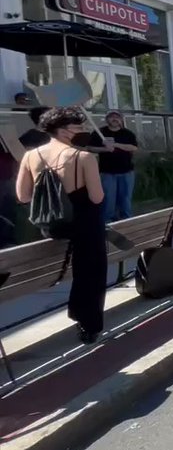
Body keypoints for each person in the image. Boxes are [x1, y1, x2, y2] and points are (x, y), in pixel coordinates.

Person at [15, 107, 106, 343]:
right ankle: (88, 324)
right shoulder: (84, 157)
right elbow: (97, 198)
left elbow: (23, 196)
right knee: (92, 269)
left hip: (51, 225)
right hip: (83, 224)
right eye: (79, 127)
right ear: (64, 131)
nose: (83, 130)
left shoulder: (31, 155)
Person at [93, 111, 138, 223]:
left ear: (121, 119)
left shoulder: (127, 133)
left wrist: (115, 145)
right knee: (108, 199)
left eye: (117, 117)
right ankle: (108, 222)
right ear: (107, 119)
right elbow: (90, 148)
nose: (114, 119)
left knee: (125, 198)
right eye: (112, 117)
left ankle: (126, 220)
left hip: (126, 171)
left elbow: (133, 148)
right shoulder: (99, 132)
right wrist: (104, 149)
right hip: (107, 172)